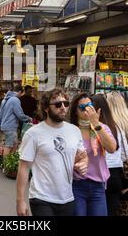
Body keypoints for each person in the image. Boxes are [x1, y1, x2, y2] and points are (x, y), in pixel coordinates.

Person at [17, 88, 88, 216]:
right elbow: (24, 167)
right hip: (41, 198)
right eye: (57, 104)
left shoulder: (74, 131)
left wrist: (83, 163)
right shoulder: (33, 133)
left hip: (67, 197)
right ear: (46, 108)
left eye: (66, 104)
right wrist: (20, 200)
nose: (63, 107)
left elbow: (83, 156)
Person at [69, 93, 116, 216]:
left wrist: (96, 125)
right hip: (76, 185)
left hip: (98, 186)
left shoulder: (101, 127)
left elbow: (111, 148)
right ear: (75, 111)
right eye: (83, 108)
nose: (87, 111)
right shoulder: (71, 130)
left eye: (90, 106)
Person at [92, 94, 128, 216]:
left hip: (97, 175)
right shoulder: (117, 128)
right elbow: (125, 155)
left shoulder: (93, 128)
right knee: (111, 210)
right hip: (115, 175)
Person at [0, 85, 32, 158]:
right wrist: (28, 118)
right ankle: (6, 166)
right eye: (21, 94)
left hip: (5, 126)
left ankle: (10, 163)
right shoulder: (15, 100)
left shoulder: (5, 99)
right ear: (19, 92)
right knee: (9, 146)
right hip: (10, 126)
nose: (21, 96)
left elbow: (0, 114)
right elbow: (20, 114)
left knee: (14, 144)